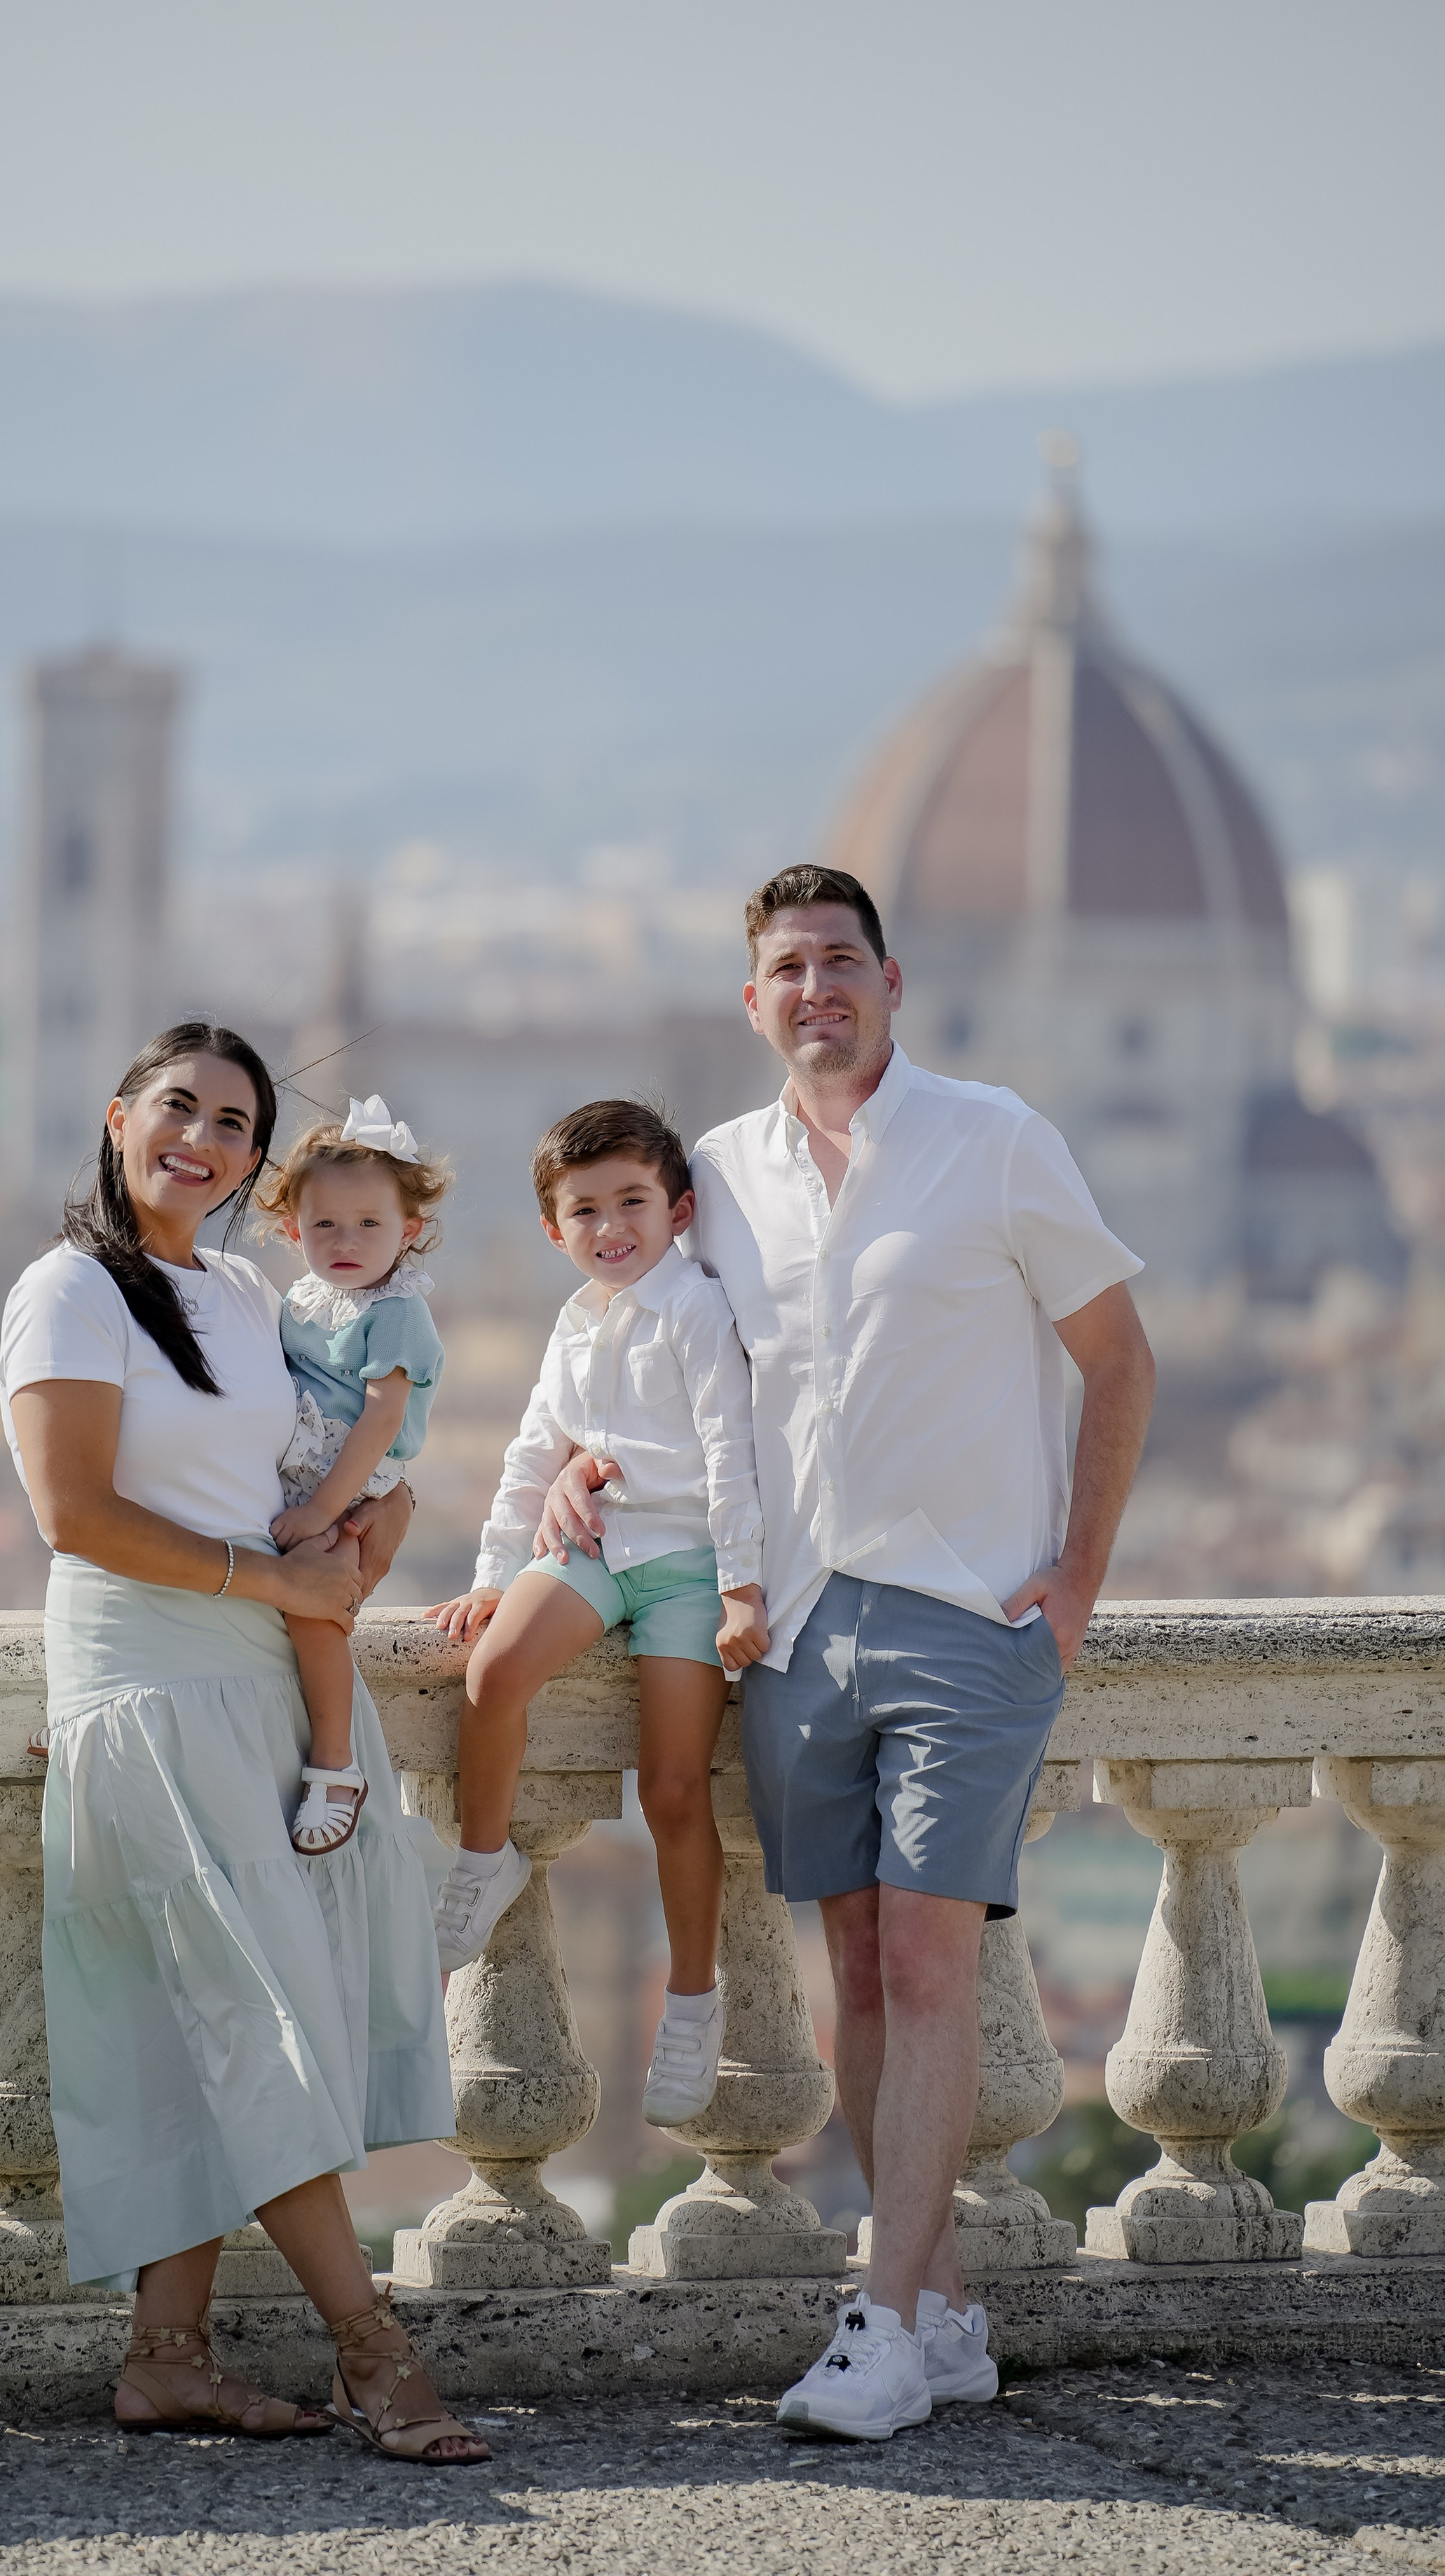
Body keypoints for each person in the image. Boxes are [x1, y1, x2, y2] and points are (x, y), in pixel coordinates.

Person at [542, 867, 1155, 2441]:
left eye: (837, 962)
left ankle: (878, 2320)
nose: (812, 988)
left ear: (890, 981)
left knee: (934, 1958)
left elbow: (1116, 1355)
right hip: (796, 1627)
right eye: (783, 969)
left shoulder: (993, 1137)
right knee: (863, 1979)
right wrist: (563, 1479)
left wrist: (1075, 1578)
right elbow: (639, 1358)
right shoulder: (716, 1180)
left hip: (964, 1613)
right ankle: (938, 2307)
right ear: (750, 1003)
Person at [0, 1021, 486, 2465]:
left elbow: (333, 1450)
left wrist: (372, 1531)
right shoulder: (68, 1288)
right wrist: (274, 1581)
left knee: (214, 2008)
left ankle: (167, 2357)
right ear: (117, 1117)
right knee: (249, 2004)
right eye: (176, 1108)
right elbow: (69, 1513)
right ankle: (374, 2353)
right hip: (148, 1675)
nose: (198, 1139)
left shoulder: (244, 1289)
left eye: (231, 1122)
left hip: (262, 1672)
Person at [430, 1100, 768, 2127]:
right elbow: (536, 1450)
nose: (611, 1226)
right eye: (585, 1210)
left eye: (632, 1202)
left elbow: (730, 1456)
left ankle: (694, 2001)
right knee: (492, 1672)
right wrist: (494, 1571)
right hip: (591, 1550)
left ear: (678, 1210)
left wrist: (744, 1586)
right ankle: (482, 1860)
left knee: (673, 1792)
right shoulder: (573, 1322)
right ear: (553, 1229)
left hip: (685, 1568)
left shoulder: (699, 1312)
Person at [254, 1097, 450, 1855]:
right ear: (291, 1230)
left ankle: (336, 1762)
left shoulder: (396, 1312)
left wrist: (322, 1512)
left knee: (312, 1611)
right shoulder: (305, 1298)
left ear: (410, 1232)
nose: (346, 1241)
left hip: (351, 1488)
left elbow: (378, 1420)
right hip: (305, 1481)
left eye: (370, 1224)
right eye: (324, 1225)